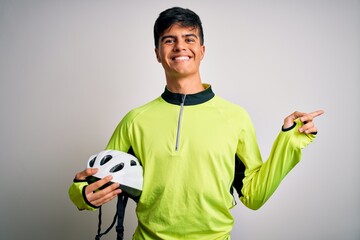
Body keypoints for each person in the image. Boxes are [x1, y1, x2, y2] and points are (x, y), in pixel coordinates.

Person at [69, 7, 324, 240]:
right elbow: (93, 179)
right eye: (169, 40)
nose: (180, 46)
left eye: (189, 39)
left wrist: (289, 142)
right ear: (158, 54)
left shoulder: (235, 117)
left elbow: (254, 196)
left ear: (202, 50)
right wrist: (81, 193)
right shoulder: (135, 120)